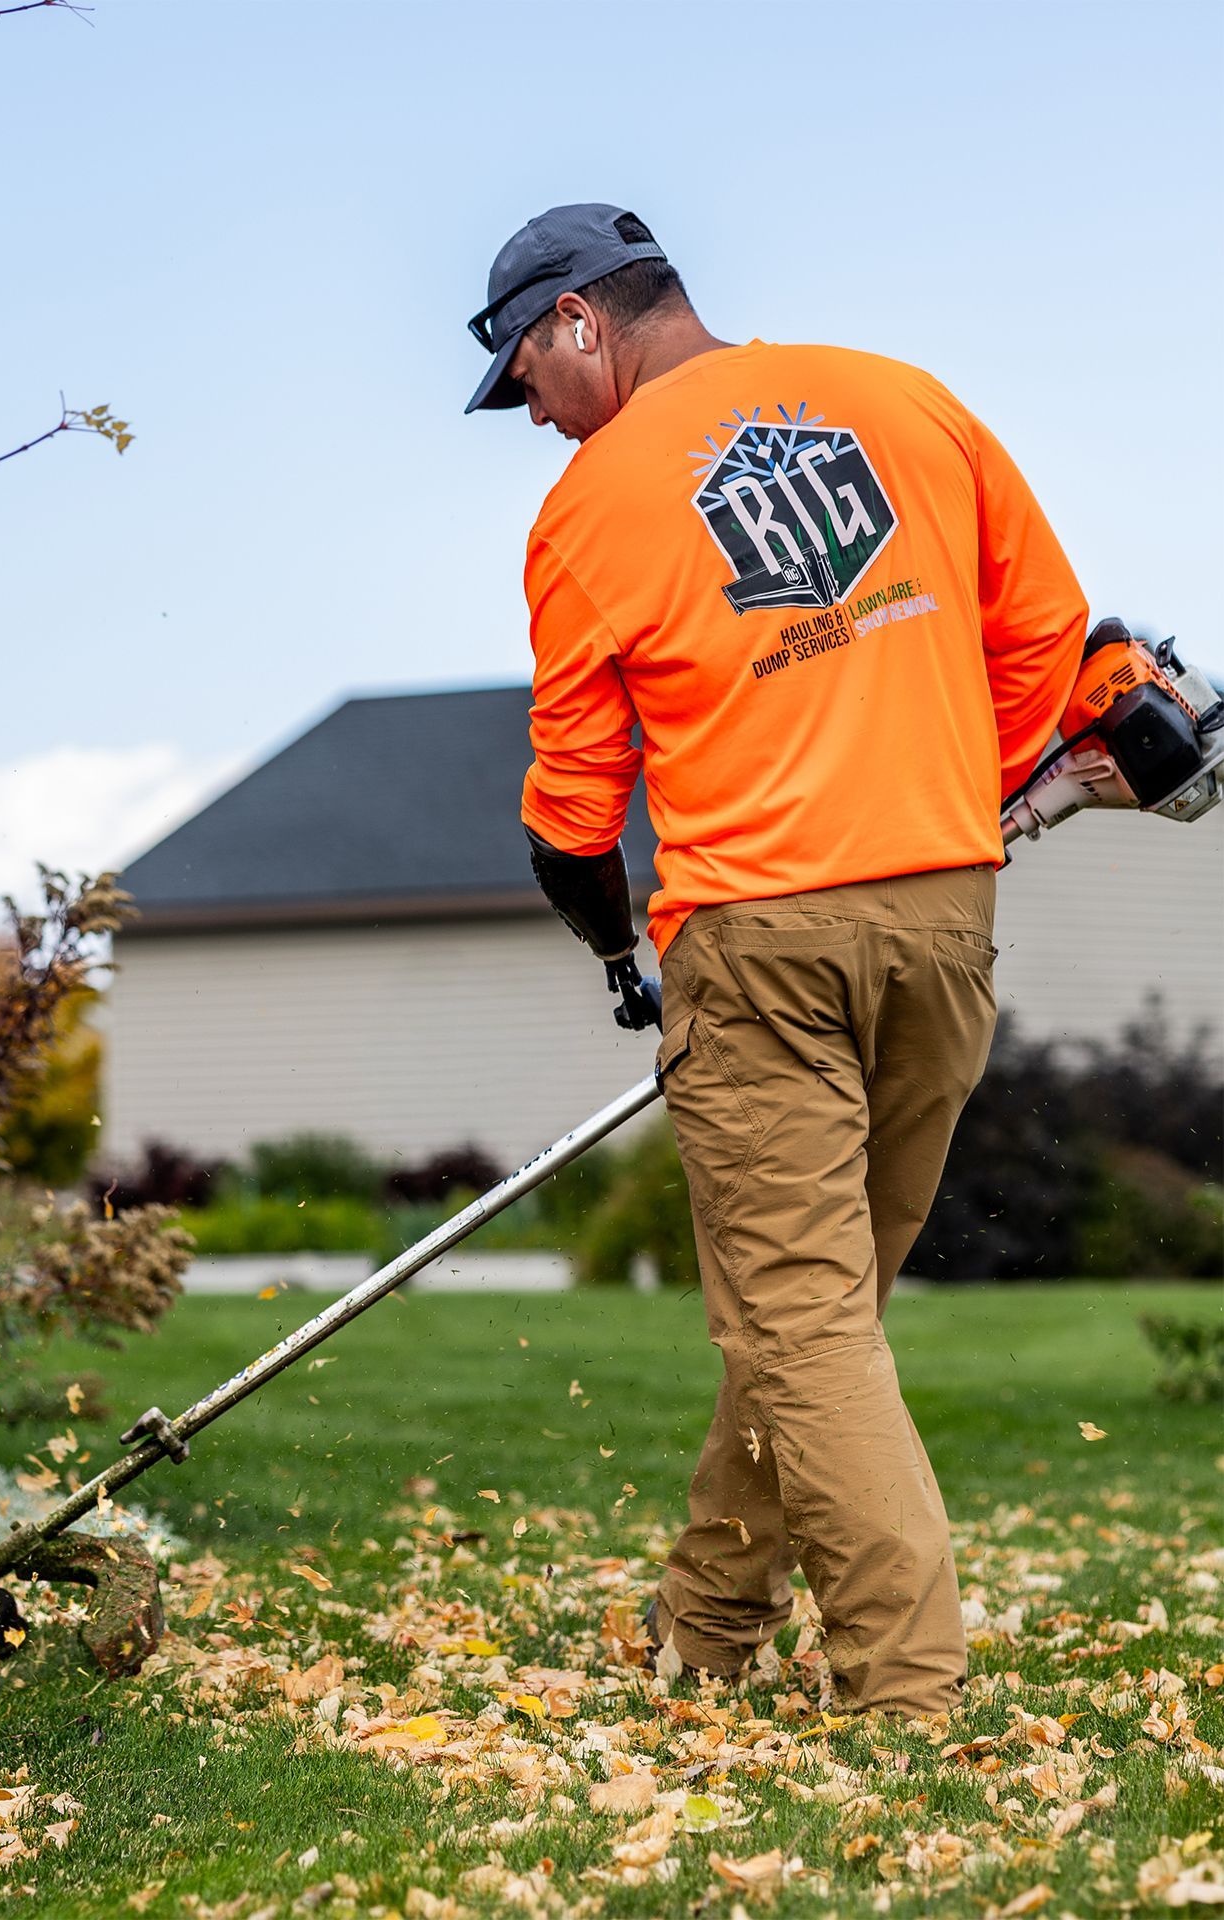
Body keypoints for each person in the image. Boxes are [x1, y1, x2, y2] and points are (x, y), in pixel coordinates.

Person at [465, 203, 1089, 1718]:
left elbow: (569, 811)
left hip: (754, 938)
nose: (535, 423)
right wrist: (950, 791)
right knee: (814, 1313)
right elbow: (1048, 640)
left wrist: (615, 948)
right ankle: (708, 1627)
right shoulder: (902, 399)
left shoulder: (588, 510)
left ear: (575, 325)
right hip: (944, 917)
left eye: (526, 382)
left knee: (798, 1323)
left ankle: (903, 1695)